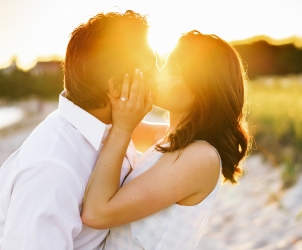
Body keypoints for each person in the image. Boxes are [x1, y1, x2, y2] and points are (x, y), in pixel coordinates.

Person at [0, 11, 159, 249]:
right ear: (116, 87)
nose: (158, 78)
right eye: (150, 70)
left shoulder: (106, 126)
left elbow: (168, 135)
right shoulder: (52, 168)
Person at [82, 30, 252, 249]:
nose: (158, 74)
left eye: (171, 69)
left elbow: (96, 213)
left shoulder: (201, 157)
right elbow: (105, 123)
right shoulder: (168, 138)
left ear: (202, 88)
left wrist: (123, 128)